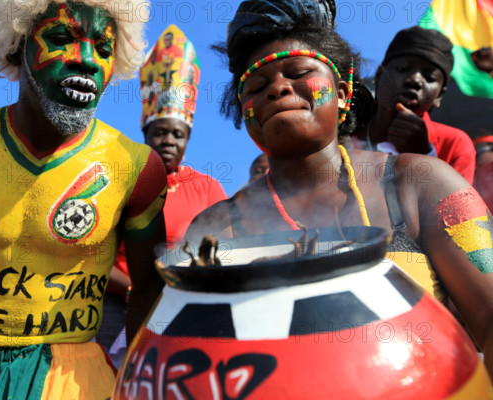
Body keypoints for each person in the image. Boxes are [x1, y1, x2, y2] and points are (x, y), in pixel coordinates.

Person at [184, 0, 493, 379]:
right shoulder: (212, 228)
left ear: (344, 92)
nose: (278, 88)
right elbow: (187, 356)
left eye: (298, 73)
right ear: (243, 110)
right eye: (258, 86)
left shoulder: (422, 183)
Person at [0, 0, 167, 398]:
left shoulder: (135, 168)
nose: (87, 60)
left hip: (76, 379)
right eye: (60, 38)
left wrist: (134, 382)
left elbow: (148, 290)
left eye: (104, 49)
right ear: (17, 45)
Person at [100, 24, 227, 367]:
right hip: (115, 305)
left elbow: (223, 249)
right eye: (160, 132)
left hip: (185, 305)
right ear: (145, 132)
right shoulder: (117, 182)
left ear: (187, 139)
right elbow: (92, 254)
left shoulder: (208, 189)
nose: (169, 140)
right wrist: (134, 290)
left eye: (178, 134)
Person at [353, 26, 476, 184]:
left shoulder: (453, 144)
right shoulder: (342, 126)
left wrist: (424, 155)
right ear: (379, 76)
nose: (415, 80)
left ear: (439, 95)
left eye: (429, 77)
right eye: (402, 69)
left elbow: (460, 207)